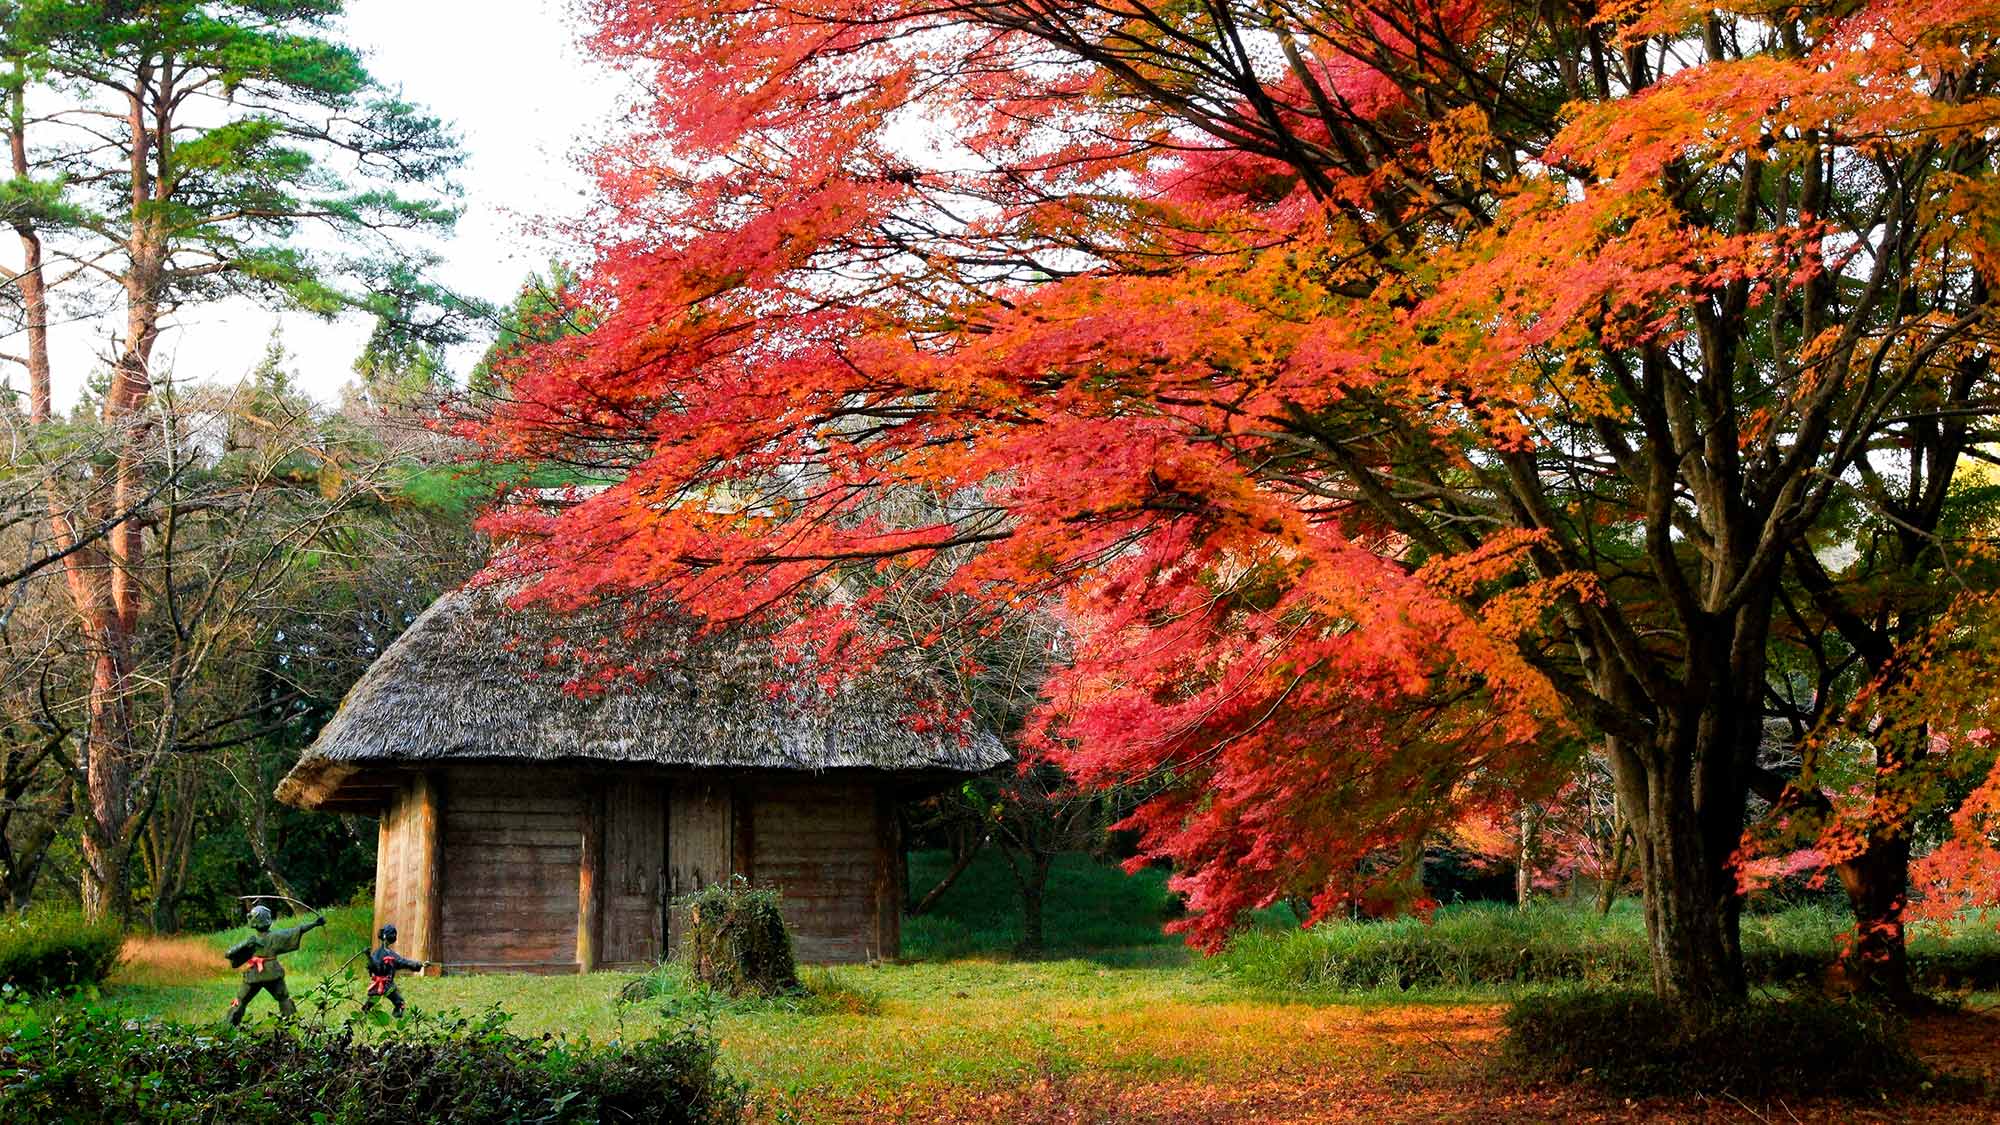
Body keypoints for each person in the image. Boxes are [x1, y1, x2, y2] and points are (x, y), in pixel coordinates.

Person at [223, 903, 324, 1026]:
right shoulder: (272, 937)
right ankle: (292, 1024)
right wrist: (315, 923)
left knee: (241, 999)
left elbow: (228, 953)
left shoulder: (254, 940)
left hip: (254, 975)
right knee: (284, 998)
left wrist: (246, 943)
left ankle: (228, 1026)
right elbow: (298, 930)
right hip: (272, 973)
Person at [364, 923, 426, 1016]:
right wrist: (369, 957)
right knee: (370, 1003)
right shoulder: (378, 953)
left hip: (389, 984)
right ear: (384, 936)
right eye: (391, 934)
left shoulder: (392, 954)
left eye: (394, 934)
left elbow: (402, 962)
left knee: (399, 1003)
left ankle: (398, 1017)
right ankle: (363, 1016)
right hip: (379, 984)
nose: (393, 936)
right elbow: (375, 967)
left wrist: (419, 964)